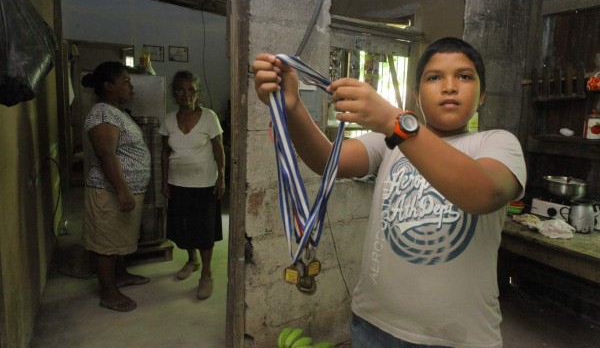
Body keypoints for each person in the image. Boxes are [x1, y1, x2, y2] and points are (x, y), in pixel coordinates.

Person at [252, 37, 526, 348]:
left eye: (464, 76)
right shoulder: (389, 143)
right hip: (374, 325)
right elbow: (329, 161)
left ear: (483, 95)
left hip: (457, 338)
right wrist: (293, 108)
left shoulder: (498, 143)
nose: (450, 86)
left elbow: (484, 193)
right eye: (434, 77)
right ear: (417, 95)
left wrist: (393, 121)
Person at [81, 61, 151, 312]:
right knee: (106, 243)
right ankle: (108, 292)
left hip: (123, 190)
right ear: (109, 86)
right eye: (125, 81)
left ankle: (120, 275)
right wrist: (122, 189)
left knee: (118, 238)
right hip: (109, 192)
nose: (130, 87)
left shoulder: (114, 111)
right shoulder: (101, 113)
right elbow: (105, 154)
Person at [159, 70, 225, 300]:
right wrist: (164, 181)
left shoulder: (209, 117)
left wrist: (222, 177)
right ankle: (192, 260)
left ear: (197, 93)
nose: (186, 94)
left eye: (190, 90)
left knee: (205, 231)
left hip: (204, 183)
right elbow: (165, 153)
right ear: (174, 93)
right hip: (178, 183)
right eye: (180, 89)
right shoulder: (168, 120)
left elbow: (218, 148)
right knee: (185, 227)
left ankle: (206, 274)